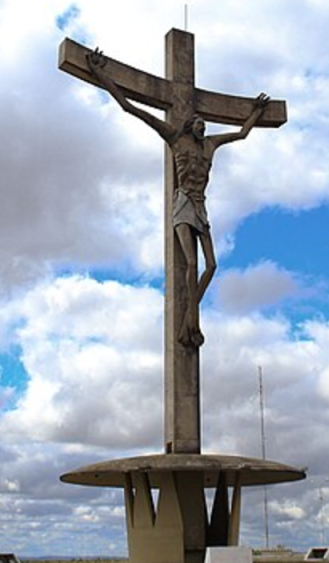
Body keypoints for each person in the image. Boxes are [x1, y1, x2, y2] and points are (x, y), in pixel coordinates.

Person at [86, 48, 269, 347]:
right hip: (183, 204)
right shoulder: (175, 138)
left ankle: (188, 318)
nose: (202, 124)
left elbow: (242, 134)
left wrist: (257, 113)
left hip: (201, 206)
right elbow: (133, 109)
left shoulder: (210, 145)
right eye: (197, 122)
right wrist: (100, 74)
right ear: (189, 124)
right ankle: (188, 323)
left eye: (203, 123)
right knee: (191, 266)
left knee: (211, 266)